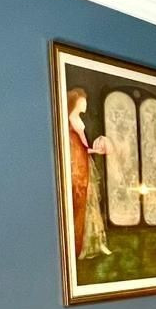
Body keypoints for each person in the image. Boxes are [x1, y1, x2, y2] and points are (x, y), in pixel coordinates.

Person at [67, 89, 112, 259]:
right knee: (84, 201)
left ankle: (96, 242)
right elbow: (82, 148)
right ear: (77, 102)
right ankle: (85, 244)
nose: (85, 104)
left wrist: (95, 150)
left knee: (90, 201)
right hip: (79, 164)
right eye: (83, 101)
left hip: (82, 161)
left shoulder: (75, 119)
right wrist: (96, 150)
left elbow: (84, 147)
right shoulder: (71, 120)